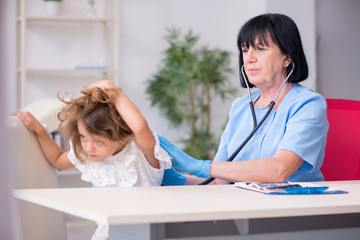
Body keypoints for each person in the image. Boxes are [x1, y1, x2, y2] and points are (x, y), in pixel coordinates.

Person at [160, 13, 329, 185]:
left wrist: (199, 166)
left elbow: (279, 170)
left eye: (260, 48)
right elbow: (218, 181)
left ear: (287, 57)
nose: (249, 58)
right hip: (244, 205)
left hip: (292, 206)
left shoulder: (308, 105)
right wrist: (178, 180)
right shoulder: (240, 107)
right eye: (245, 49)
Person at [11, 80, 172, 240]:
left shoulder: (142, 153)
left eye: (99, 141)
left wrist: (110, 88)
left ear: (123, 138)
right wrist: (39, 129)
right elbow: (57, 160)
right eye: (83, 137)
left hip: (144, 234)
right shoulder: (90, 155)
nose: (88, 148)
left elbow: (139, 127)